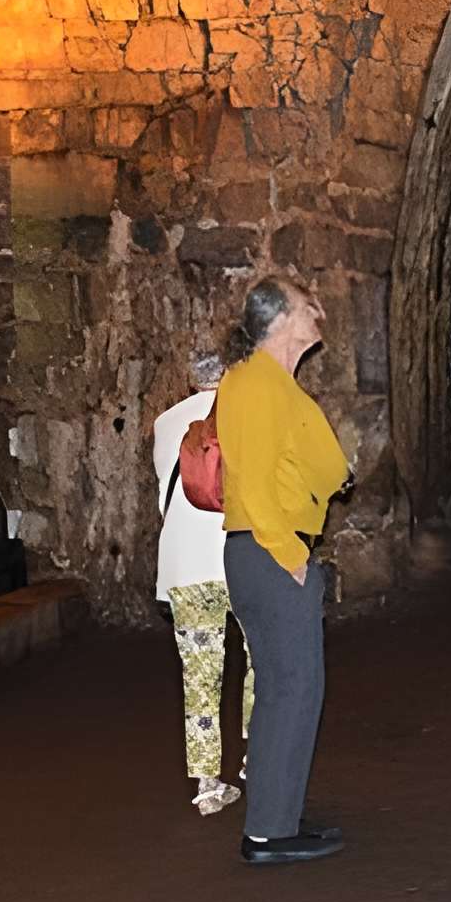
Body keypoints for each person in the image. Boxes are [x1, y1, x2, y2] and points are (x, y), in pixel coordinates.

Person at [213, 276, 350, 865]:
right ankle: (268, 832)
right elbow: (251, 476)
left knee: (289, 690)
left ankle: (278, 818)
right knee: (290, 689)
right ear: (279, 322)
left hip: (270, 549)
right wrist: (289, 554)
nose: (317, 311)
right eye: (305, 304)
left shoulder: (271, 383)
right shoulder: (257, 384)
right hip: (270, 551)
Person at [151, 351, 251, 814]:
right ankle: (257, 757)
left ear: (190, 380)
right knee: (260, 661)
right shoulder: (246, 413)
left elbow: (163, 499)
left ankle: (208, 785)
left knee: (199, 676)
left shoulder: (165, 423)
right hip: (242, 556)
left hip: (186, 566)